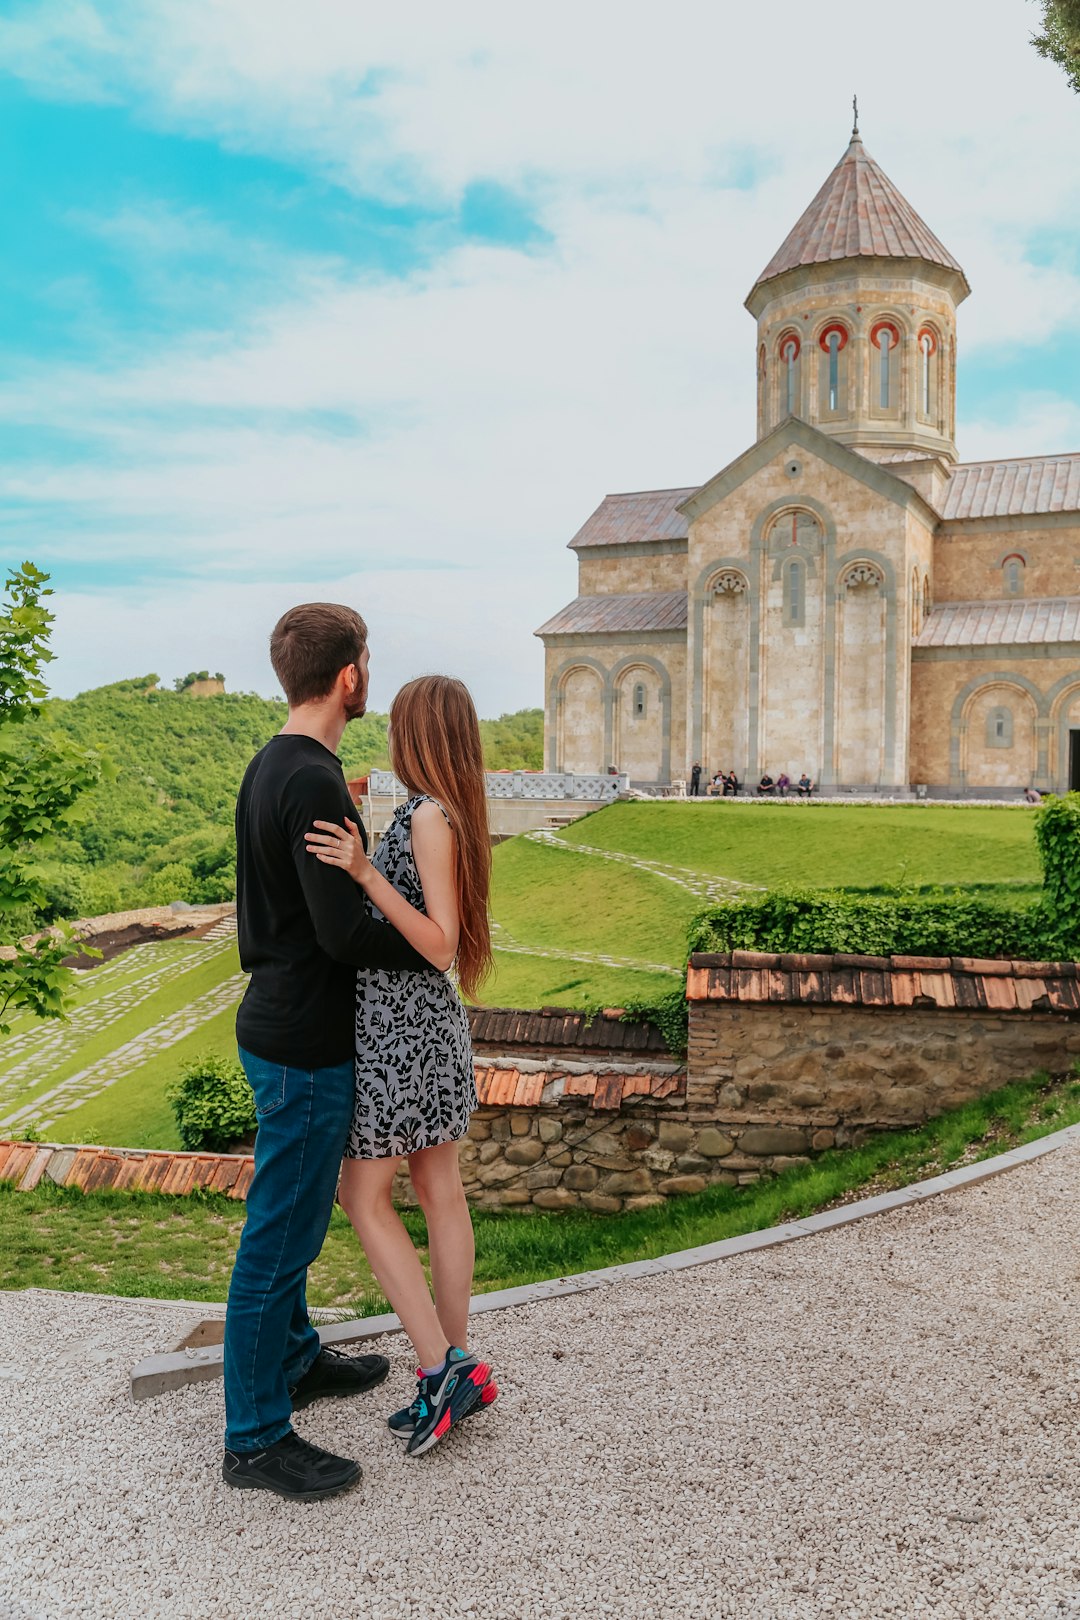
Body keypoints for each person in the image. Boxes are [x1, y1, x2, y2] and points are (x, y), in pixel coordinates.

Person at [223, 602, 433, 1504]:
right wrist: (428, 943)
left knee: (296, 1215)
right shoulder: (311, 778)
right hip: (305, 1038)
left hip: (279, 1018)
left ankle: (298, 1359)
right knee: (281, 1235)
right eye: (367, 663)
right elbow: (343, 935)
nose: (368, 675)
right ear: (349, 676)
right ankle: (255, 1435)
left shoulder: (272, 762)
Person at [306, 675, 496, 1458]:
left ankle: (438, 1368)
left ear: (420, 734)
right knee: (437, 1188)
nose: (387, 737)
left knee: (363, 1194)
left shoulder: (427, 816)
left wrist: (361, 871)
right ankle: (451, 1369)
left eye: (398, 726)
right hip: (423, 1029)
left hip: (402, 1033)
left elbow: (441, 942)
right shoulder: (449, 811)